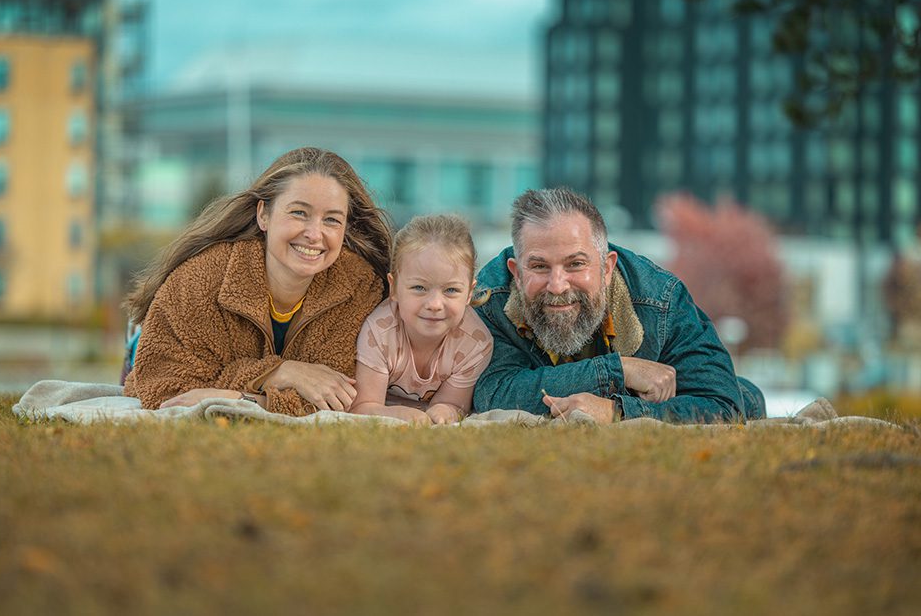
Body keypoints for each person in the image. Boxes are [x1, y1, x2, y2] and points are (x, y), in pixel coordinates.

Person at [122, 147, 392, 415]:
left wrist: (238, 398)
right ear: (264, 215)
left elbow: (336, 398)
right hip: (151, 346)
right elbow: (166, 389)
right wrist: (281, 373)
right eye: (299, 212)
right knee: (140, 347)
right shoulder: (201, 278)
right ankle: (134, 336)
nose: (314, 233)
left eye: (332, 219)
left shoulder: (359, 288)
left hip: (221, 369)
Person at [473, 187, 767, 424]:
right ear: (516, 273)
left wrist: (617, 412)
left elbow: (724, 404)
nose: (557, 285)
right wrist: (618, 371)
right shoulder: (489, 298)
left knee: (745, 397)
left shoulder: (660, 297)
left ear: (607, 267)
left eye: (576, 264)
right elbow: (491, 393)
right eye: (539, 266)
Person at [350, 215, 493, 425]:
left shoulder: (476, 342)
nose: (435, 304)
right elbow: (363, 406)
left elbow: (454, 405)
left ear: (469, 293)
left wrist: (446, 412)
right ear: (394, 287)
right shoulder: (379, 332)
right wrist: (397, 415)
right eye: (419, 288)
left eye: (451, 290)